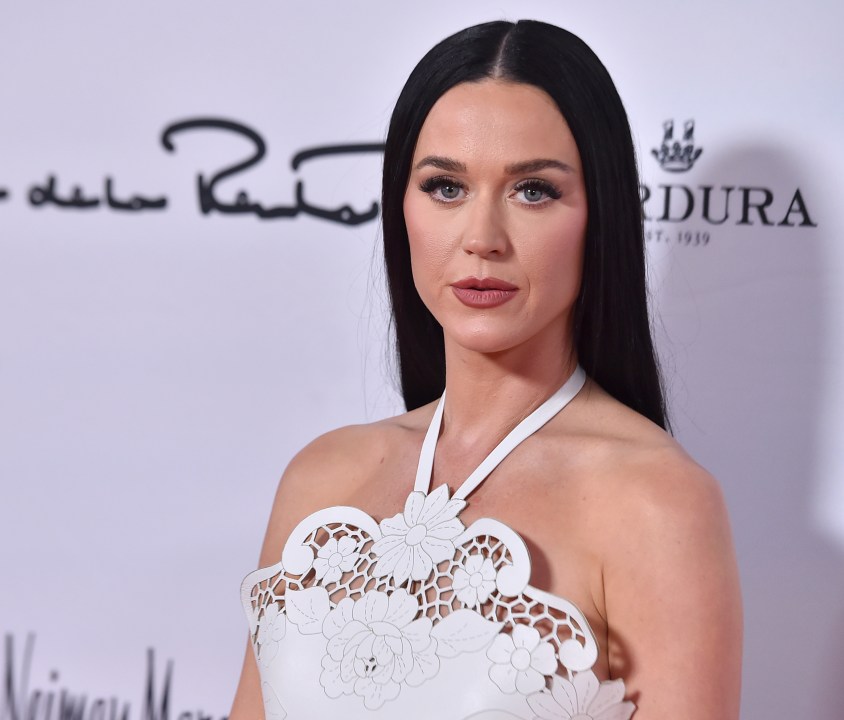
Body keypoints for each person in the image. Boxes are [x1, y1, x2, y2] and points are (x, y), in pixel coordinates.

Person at [229, 19, 741, 720]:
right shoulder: (321, 479)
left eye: (533, 191)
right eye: (445, 187)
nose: (480, 239)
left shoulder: (656, 503)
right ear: (399, 206)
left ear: (600, 214)